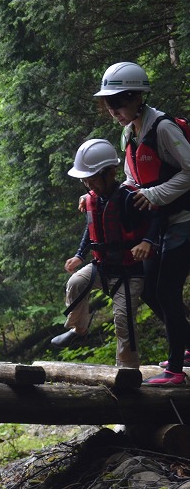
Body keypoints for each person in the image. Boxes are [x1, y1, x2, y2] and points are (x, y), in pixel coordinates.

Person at [94, 61, 190, 385]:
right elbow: (130, 178)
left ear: (137, 97)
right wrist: (94, 198)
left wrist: (155, 194)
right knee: (149, 290)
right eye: (111, 106)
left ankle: (176, 370)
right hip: (161, 224)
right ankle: (186, 344)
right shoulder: (128, 133)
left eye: (119, 104)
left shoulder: (162, 128)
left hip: (184, 221)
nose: (115, 112)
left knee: (166, 291)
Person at [50, 139, 159, 368]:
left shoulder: (130, 197)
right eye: (86, 181)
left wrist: (148, 241)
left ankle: (127, 368)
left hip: (130, 272)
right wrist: (81, 255)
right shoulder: (92, 200)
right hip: (102, 266)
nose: (90, 185)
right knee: (76, 283)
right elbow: (91, 229)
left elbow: (156, 219)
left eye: (93, 179)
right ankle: (79, 329)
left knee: (123, 321)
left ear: (110, 173)